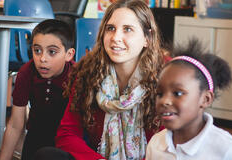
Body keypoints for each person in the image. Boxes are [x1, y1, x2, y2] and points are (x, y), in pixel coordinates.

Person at [50, 0, 166, 159]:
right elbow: (67, 134)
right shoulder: (88, 71)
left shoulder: (166, 76)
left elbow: (170, 142)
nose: (116, 37)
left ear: (147, 38)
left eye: (128, 29)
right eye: (110, 28)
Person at [146, 39, 232, 160]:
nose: (164, 101)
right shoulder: (156, 144)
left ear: (206, 99)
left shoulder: (228, 150)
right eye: (160, 94)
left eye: (177, 93)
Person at [0, 19, 75, 160]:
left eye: (52, 52)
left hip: (68, 142)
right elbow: (16, 124)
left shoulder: (78, 76)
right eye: (37, 50)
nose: (42, 58)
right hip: (36, 138)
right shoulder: (26, 72)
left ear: (69, 55)